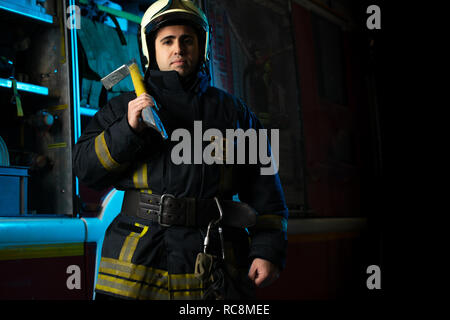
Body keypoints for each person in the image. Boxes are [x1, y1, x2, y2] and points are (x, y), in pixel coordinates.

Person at [73, 0, 288, 300]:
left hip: (216, 264)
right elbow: (84, 170)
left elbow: (267, 193)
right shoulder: (122, 110)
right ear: (151, 50)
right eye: (168, 41)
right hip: (136, 271)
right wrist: (128, 130)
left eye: (187, 40)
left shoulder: (235, 115)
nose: (178, 49)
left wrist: (268, 249)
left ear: (202, 46)